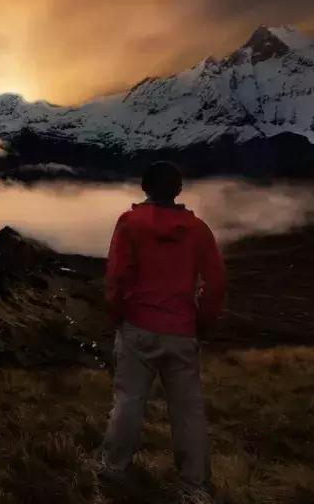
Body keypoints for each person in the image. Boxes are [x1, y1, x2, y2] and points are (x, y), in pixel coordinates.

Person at [97, 161, 226, 503]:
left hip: (137, 327)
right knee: (188, 411)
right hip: (181, 330)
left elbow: (116, 277)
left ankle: (113, 467)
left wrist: (117, 315)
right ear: (178, 190)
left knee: (128, 402)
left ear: (145, 188)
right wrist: (202, 323)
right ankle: (195, 486)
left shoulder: (129, 224)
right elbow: (215, 283)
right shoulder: (197, 229)